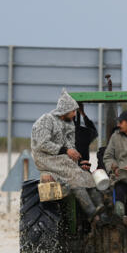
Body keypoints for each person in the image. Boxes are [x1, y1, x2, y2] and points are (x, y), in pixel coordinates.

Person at [31, 90, 103, 218]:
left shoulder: (67, 124)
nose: (75, 114)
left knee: (85, 175)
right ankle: (91, 211)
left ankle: (101, 208)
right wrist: (66, 151)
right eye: (73, 111)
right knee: (74, 176)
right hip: (46, 158)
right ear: (65, 109)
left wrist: (77, 158)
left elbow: (69, 144)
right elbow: (42, 144)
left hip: (60, 158)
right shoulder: (47, 120)